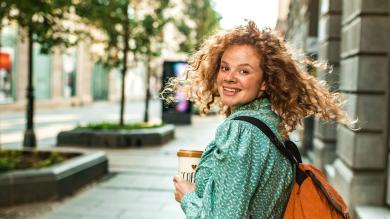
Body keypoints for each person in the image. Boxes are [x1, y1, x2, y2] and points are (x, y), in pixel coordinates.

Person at [170, 21, 350, 219]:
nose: (229, 77)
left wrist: (187, 197)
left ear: (265, 82)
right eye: (225, 68)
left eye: (244, 71)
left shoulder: (240, 132)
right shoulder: (271, 124)